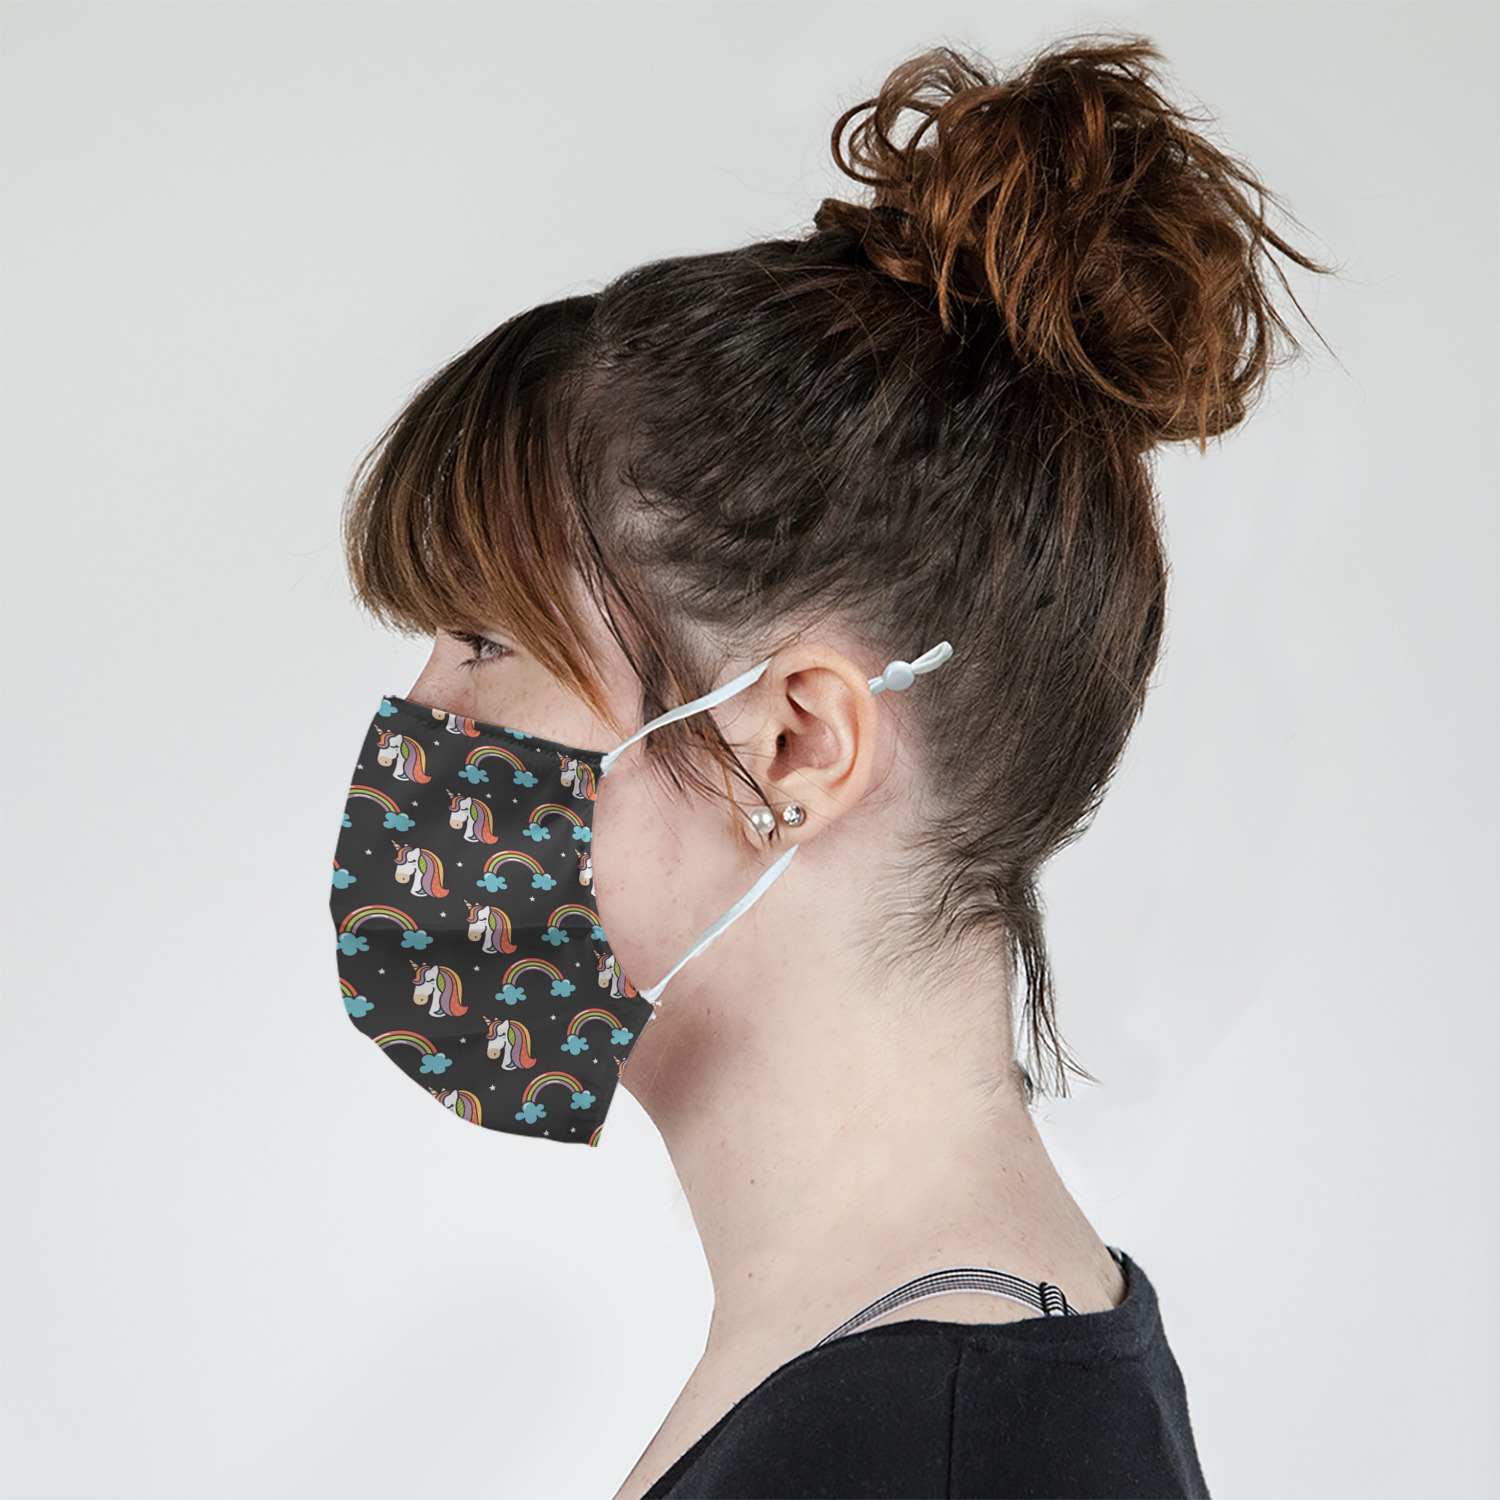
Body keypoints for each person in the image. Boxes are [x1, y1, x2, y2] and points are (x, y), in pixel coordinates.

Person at [334, 32, 1329, 1500]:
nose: (417, 720)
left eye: (484, 643)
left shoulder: (927, 1448)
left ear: (795, 744)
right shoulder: (932, 1380)